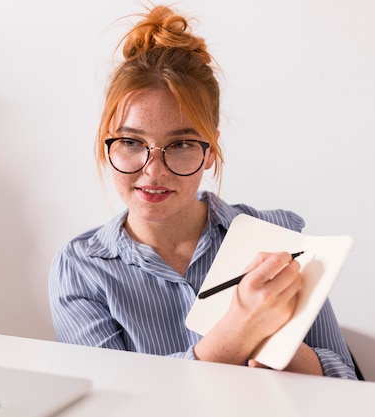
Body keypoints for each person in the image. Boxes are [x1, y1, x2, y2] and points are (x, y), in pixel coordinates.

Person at [48, 4, 357, 379]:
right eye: (131, 142)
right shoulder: (82, 269)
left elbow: (349, 385)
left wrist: (278, 346)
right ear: (105, 145)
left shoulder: (278, 239)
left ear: (210, 152)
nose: (153, 170)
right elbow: (116, 403)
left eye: (180, 145)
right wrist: (236, 332)